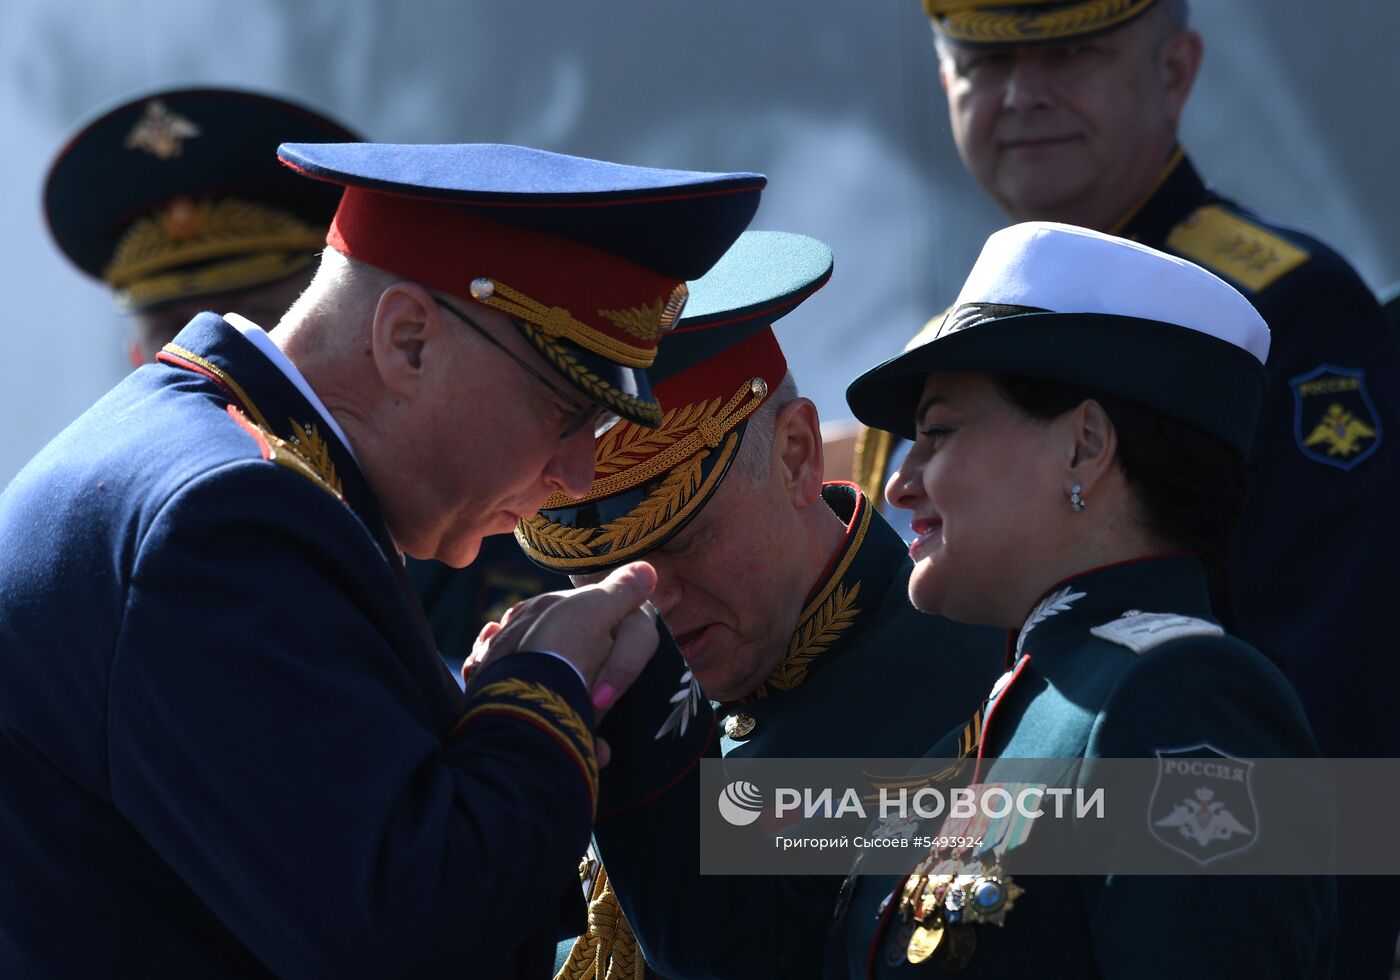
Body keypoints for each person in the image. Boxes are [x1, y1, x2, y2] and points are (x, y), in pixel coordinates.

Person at [0, 140, 765, 976]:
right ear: (407, 341)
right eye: (565, 413)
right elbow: (414, 934)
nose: (581, 475)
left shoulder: (218, 464)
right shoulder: (228, 517)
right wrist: (541, 690)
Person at [843, 5, 1400, 969]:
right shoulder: (960, 338)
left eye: (1071, 53)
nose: (1024, 95)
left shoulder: (1287, 309)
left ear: (1176, 70)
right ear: (945, 85)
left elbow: (1333, 699)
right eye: (986, 62)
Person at [831, 221, 1334, 977]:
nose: (901, 484)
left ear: (1086, 447)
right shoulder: (1029, 707)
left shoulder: (1182, 698)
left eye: (938, 432)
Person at [493, 230, 999, 978]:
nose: (647, 602)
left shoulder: (969, 683)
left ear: (796, 456)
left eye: (683, 541)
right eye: (596, 570)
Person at [42, 85, 570, 665]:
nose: (211, 357)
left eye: (252, 323)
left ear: (332, 324)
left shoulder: (472, 499)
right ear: (141, 364)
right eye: (175, 332)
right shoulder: (167, 521)